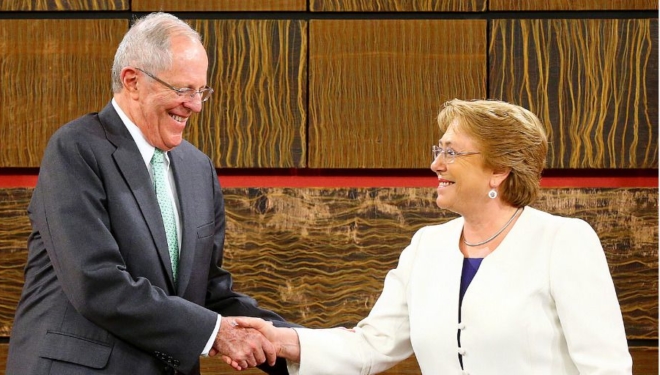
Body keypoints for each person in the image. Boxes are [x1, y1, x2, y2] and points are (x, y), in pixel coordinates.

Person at [233, 99, 633, 374]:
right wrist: (282, 340)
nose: (435, 163)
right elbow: (372, 347)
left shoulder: (563, 241)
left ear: (499, 171)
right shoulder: (427, 247)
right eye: (438, 150)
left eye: (452, 153)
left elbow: (607, 368)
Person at [6, 12, 292, 375]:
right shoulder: (76, 148)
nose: (196, 105)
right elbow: (97, 283)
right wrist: (216, 333)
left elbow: (209, 293)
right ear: (133, 81)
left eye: (201, 90)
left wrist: (306, 347)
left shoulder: (197, 168)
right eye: (183, 90)